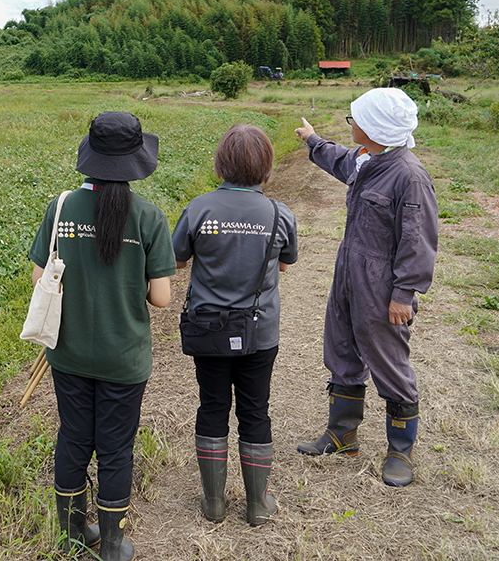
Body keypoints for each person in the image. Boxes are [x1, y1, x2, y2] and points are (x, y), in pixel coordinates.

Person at [29, 111, 175, 561]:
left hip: (68, 354)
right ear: (136, 162)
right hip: (124, 359)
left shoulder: (61, 209)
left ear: (89, 156)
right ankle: (112, 544)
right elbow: (162, 298)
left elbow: (39, 278)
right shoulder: (149, 217)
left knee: (73, 438)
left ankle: (74, 537)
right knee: (115, 447)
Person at [293, 87, 437, 487]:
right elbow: (341, 160)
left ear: (374, 129)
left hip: (382, 286)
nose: (351, 124)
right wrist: (313, 140)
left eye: (354, 120)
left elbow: (417, 241)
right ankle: (342, 435)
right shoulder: (368, 159)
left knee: (389, 363)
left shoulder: (409, 176)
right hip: (348, 274)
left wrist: (403, 294)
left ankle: (400, 451)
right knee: (340, 348)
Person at [171, 124, 298, 526]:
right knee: (255, 410)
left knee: (212, 406)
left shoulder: (199, 208)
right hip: (260, 332)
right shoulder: (280, 214)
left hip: (209, 331)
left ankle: (213, 504)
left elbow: (177, 261)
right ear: (266, 167)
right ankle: (258, 506)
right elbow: (283, 264)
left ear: (220, 162)